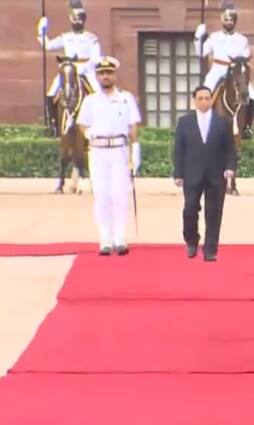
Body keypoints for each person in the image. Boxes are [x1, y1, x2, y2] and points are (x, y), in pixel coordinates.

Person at [76, 56, 141, 256]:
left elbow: (133, 126)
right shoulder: (90, 100)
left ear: (115, 75)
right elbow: (82, 124)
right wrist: (89, 135)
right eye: (102, 73)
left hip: (119, 150)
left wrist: (135, 150)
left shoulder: (126, 98)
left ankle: (120, 239)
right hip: (97, 150)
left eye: (109, 73)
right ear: (97, 76)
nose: (106, 76)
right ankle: (105, 240)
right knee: (102, 196)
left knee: (119, 195)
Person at [172, 86, 237, 262]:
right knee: (190, 209)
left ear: (211, 100)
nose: (204, 101)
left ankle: (210, 250)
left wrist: (230, 167)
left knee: (214, 213)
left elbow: (230, 149)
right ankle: (191, 241)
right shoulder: (185, 121)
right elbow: (179, 149)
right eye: (200, 98)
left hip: (216, 174)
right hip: (191, 174)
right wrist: (178, 173)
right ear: (195, 100)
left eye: (207, 98)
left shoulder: (223, 121)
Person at [37, 0, 101, 137]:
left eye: (80, 19)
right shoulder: (65, 37)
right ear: (71, 20)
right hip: (68, 68)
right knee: (51, 93)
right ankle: (52, 125)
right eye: (75, 19)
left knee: (98, 93)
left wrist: (86, 66)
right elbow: (47, 46)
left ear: (84, 20)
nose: (77, 22)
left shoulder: (92, 38)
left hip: (86, 70)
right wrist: (41, 32)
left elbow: (96, 58)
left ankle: (100, 123)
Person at [194, 0, 254, 139]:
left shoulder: (242, 40)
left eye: (232, 19)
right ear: (222, 19)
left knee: (253, 96)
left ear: (235, 21)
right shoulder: (214, 37)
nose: (229, 22)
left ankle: (247, 127)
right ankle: (202, 126)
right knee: (205, 95)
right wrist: (199, 37)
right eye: (227, 19)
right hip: (218, 70)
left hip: (235, 71)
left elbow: (245, 57)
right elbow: (201, 53)